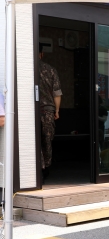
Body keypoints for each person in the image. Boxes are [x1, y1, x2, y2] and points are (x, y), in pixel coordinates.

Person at [38, 44, 63, 180]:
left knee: (35, 140)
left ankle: (38, 168)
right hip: (48, 111)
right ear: (41, 54)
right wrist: (57, 110)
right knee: (47, 140)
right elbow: (57, 94)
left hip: (31, 112)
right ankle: (46, 168)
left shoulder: (26, 69)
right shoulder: (51, 70)